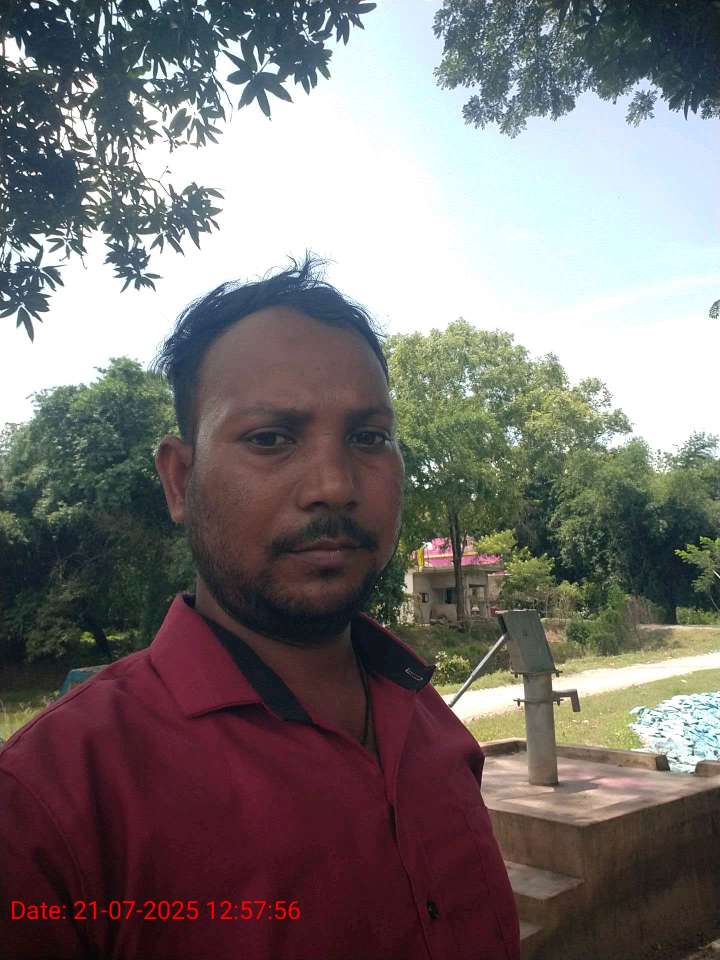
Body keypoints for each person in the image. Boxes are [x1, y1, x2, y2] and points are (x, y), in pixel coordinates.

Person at [0, 257, 520, 960]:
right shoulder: (50, 804)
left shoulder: (429, 723)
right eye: (271, 438)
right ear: (180, 480)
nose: (334, 485)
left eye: (368, 438)